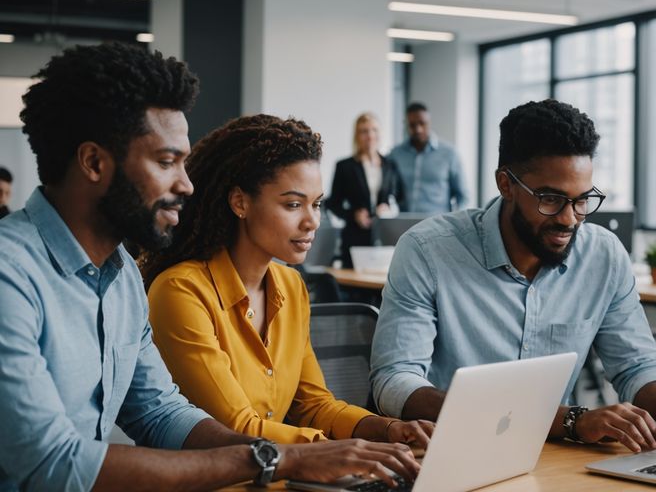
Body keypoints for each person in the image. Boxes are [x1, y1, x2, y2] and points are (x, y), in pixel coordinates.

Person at [0, 42, 418, 490]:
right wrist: (281, 461)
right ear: (94, 163)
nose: (186, 183)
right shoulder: (12, 275)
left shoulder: (119, 274)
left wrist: (285, 455)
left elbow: (160, 413)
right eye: (166, 162)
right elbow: (54, 465)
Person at [371, 99, 656, 453]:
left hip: (554, 457)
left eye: (583, 200)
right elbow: (394, 382)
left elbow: (636, 364)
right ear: (506, 184)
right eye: (551, 199)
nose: (570, 219)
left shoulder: (603, 255)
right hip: (456, 451)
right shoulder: (427, 250)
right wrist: (568, 420)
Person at [141, 114, 433, 449]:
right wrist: (337, 450)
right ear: (240, 202)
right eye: (293, 204)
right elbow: (236, 429)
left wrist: (387, 430)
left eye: (317, 204)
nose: (312, 221)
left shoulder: (291, 287)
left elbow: (313, 406)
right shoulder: (181, 291)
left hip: (283, 474)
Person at [327, 112, 403, 268]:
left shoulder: (390, 165)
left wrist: (389, 208)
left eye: (374, 130)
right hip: (355, 237)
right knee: (355, 287)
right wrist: (354, 215)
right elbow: (333, 204)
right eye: (364, 131)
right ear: (357, 136)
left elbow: (402, 197)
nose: (370, 135)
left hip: (384, 237)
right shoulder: (344, 166)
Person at [389, 102, 466, 213]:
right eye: (412, 125)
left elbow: (463, 196)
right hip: (405, 224)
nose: (418, 129)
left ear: (429, 123)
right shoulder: (395, 154)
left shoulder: (449, 153)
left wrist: (457, 222)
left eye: (422, 123)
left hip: (439, 225)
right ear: (406, 125)